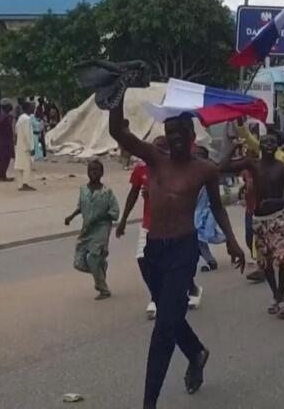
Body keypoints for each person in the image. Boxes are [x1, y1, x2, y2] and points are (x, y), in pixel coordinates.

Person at [109, 92, 246, 409]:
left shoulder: (204, 170)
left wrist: (233, 241)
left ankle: (148, 403)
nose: (176, 141)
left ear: (191, 135)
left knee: (163, 330)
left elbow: (217, 207)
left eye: (180, 135)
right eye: (170, 135)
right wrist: (116, 95)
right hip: (154, 251)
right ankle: (196, 352)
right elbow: (118, 132)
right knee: (170, 317)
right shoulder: (156, 159)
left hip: (183, 251)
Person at [220, 134, 284, 318]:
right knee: (266, 262)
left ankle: (280, 295)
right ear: (260, 146)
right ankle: (277, 296)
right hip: (259, 220)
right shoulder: (252, 165)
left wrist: (276, 200)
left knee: (283, 259)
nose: (269, 145)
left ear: (278, 145)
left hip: (278, 218)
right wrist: (233, 146)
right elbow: (222, 168)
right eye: (265, 142)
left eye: (273, 142)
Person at [117, 136, 169, 319]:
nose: (160, 150)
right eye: (157, 147)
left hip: (169, 225)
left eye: (164, 147)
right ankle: (156, 296)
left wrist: (156, 193)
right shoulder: (141, 169)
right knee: (142, 260)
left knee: (168, 265)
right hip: (148, 224)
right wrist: (123, 220)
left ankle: (190, 289)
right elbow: (132, 195)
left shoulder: (172, 169)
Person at [65, 160, 119, 299]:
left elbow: (115, 212)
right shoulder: (83, 190)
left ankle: (103, 288)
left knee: (92, 258)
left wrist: (101, 217)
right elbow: (81, 207)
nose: (94, 173)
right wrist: (71, 217)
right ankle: (101, 269)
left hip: (101, 228)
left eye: (97, 170)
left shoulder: (107, 192)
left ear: (102, 173)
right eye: (91, 170)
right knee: (80, 261)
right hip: (87, 229)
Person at [194, 148, 225, 273]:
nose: (197, 158)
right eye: (195, 155)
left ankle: (228, 240)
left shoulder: (210, 172)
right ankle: (209, 260)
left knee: (207, 235)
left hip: (208, 210)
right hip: (194, 211)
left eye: (200, 155)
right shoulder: (190, 172)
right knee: (198, 238)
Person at [14, 101, 36, 192]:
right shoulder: (27, 119)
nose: (33, 109)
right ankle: (25, 183)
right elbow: (27, 135)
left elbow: (16, 131)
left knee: (20, 165)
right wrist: (31, 147)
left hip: (19, 145)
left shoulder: (20, 118)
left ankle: (20, 184)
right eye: (32, 107)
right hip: (25, 146)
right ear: (28, 108)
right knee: (27, 165)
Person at [0, 103, 15, 182]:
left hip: (1, 139)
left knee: (1, 159)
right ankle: (3, 176)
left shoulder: (0, 116)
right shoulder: (8, 117)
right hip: (6, 140)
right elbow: (10, 130)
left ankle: (1, 175)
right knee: (6, 158)